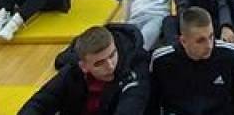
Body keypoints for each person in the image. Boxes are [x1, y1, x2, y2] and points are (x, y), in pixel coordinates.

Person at [21, 23, 151, 115]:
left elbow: (130, 108)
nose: (110, 65)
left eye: (112, 55)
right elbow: (39, 102)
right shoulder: (72, 71)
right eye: (99, 63)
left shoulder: (136, 68)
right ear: (83, 66)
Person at [148, 6, 234, 115]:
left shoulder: (231, 55)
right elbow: (152, 105)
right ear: (183, 41)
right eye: (200, 40)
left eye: (211, 36)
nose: (209, 45)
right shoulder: (161, 61)